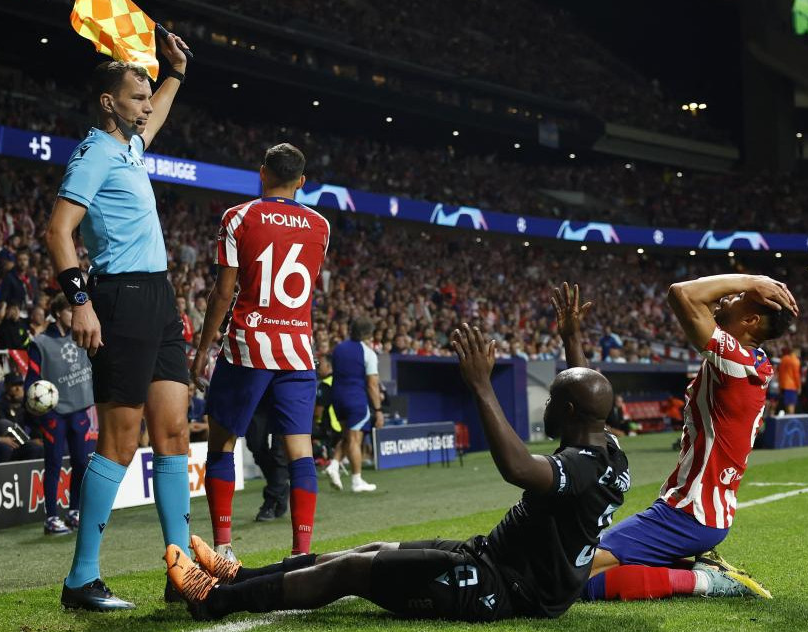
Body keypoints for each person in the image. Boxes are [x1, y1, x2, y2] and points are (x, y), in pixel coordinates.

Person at [166, 322, 628, 622]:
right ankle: (239, 576)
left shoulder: (580, 469)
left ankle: (214, 602)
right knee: (369, 548)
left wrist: (482, 387)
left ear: (566, 412)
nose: (545, 407)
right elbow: (589, 398)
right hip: (491, 556)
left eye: (551, 402)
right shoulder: (607, 446)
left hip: (502, 587)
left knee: (349, 571)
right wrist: (572, 339)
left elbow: (518, 467)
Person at [44, 30, 193, 611]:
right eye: (138, 97)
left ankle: (180, 571)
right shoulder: (94, 152)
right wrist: (79, 301)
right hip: (119, 298)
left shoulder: (129, 145)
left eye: (149, 97)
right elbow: (59, 231)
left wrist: (175, 73)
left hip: (159, 298)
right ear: (110, 101)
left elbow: (156, 117)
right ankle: (82, 579)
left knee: (174, 432)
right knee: (121, 440)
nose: (147, 106)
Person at [571, 275, 796, 602]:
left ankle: (705, 582)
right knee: (576, 573)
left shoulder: (736, 362)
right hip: (695, 512)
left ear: (750, 320)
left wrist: (751, 280)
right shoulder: (749, 362)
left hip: (690, 514)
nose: (723, 299)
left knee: (568, 577)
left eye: (736, 298)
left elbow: (682, 294)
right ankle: (699, 570)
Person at [191, 143, 331, 560]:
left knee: (222, 443)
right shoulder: (321, 225)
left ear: (262, 173)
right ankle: (301, 553)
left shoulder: (239, 217)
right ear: (301, 181)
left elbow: (223, 291)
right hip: (297, 350)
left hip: (248, 346)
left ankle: (224, 548)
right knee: (300, 450)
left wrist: (202, 348)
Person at [27, 295, 95, 536]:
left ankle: (75, 511)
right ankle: (51, 517)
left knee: (80, 463)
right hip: (54, 413)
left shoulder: (84, 335)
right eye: (69, 310)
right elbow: (31, 380)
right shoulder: (40, 343)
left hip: (80, 408)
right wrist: (43, 410)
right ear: (57, 313)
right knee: (54, 463)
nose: (74, 314)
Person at [328, 318, 383, 492]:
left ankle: (334, 465)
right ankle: (357, 481)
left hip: (336, 399)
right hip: (355, 399)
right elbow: (372, 384)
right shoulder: (368, 353)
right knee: (355, 440)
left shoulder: (338, 349)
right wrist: (378, 410)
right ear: (368, 334)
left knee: (347, 436)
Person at [778, 345, 801, 415]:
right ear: (796, 351)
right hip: (791, 385)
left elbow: (780, 372)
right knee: (791, 406)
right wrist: (799, 387)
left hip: (783, 385)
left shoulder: (784, 359)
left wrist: (780, 385)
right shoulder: (796, 361)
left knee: (787, 405)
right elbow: (796, 375)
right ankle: (791, 423)